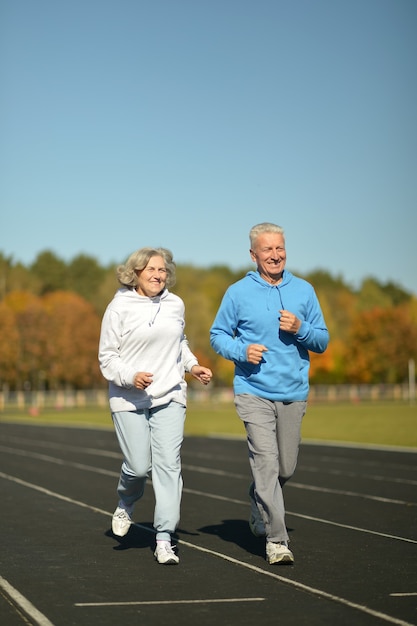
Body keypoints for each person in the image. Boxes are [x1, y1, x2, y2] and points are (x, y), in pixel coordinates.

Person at [210, 223, 329, 565]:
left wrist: (301, 329)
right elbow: (218, 335)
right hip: (253, 392)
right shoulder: (237, 293)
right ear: (253, 255)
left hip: (293, 391)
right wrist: (241, 350)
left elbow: (321, 340)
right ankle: (277, 540)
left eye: (280, 248)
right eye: (267, 250)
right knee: (266, 464)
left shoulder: (304, 291)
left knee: (285, 468)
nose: (275, 255)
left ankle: (257, 497)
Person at [99, 247, 212, 565]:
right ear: (135, 272)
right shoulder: (119, 307)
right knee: (137, 466)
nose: (158, 274)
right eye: (150, 269)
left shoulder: (175, 304)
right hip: (128, 396)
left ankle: (165, 539)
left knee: (169, 467)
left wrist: (193, 366)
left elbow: (180, 343)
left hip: (171, 395)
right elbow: (107, 357)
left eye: (162, 270)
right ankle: (126, 502)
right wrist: (130, 376)